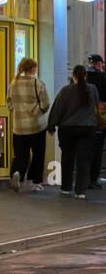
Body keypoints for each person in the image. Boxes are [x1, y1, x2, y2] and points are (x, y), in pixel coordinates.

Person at [47, 65, 99, 199]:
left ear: (73, 76)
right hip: (87, 129)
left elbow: (57, 109)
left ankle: (66, 188)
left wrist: (52, 125)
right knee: (84, 160)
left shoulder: (66, 90)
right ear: (85, 76)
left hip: (68, 129)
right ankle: (80, 191)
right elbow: (96, 106)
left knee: (67, 159)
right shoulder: (92, 89)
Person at [7, 58, 49, 192]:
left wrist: (18, 112)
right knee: (38, 154)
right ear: (32, 69)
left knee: (20, 155)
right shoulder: (37, 83)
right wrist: (39, 110)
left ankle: (17, 173)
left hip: (18, 128)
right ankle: (35, 182)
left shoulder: (13, 84)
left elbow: (9, 104)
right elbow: (46, 103)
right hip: (36, 126)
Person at [84, 54, 106, 189]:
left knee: (85, 149)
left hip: (82, 119)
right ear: (99, 64)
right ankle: (93, 179)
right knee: (97, 150)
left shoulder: (82, 77)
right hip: (99, 118)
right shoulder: (103, 78)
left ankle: (83, 178)